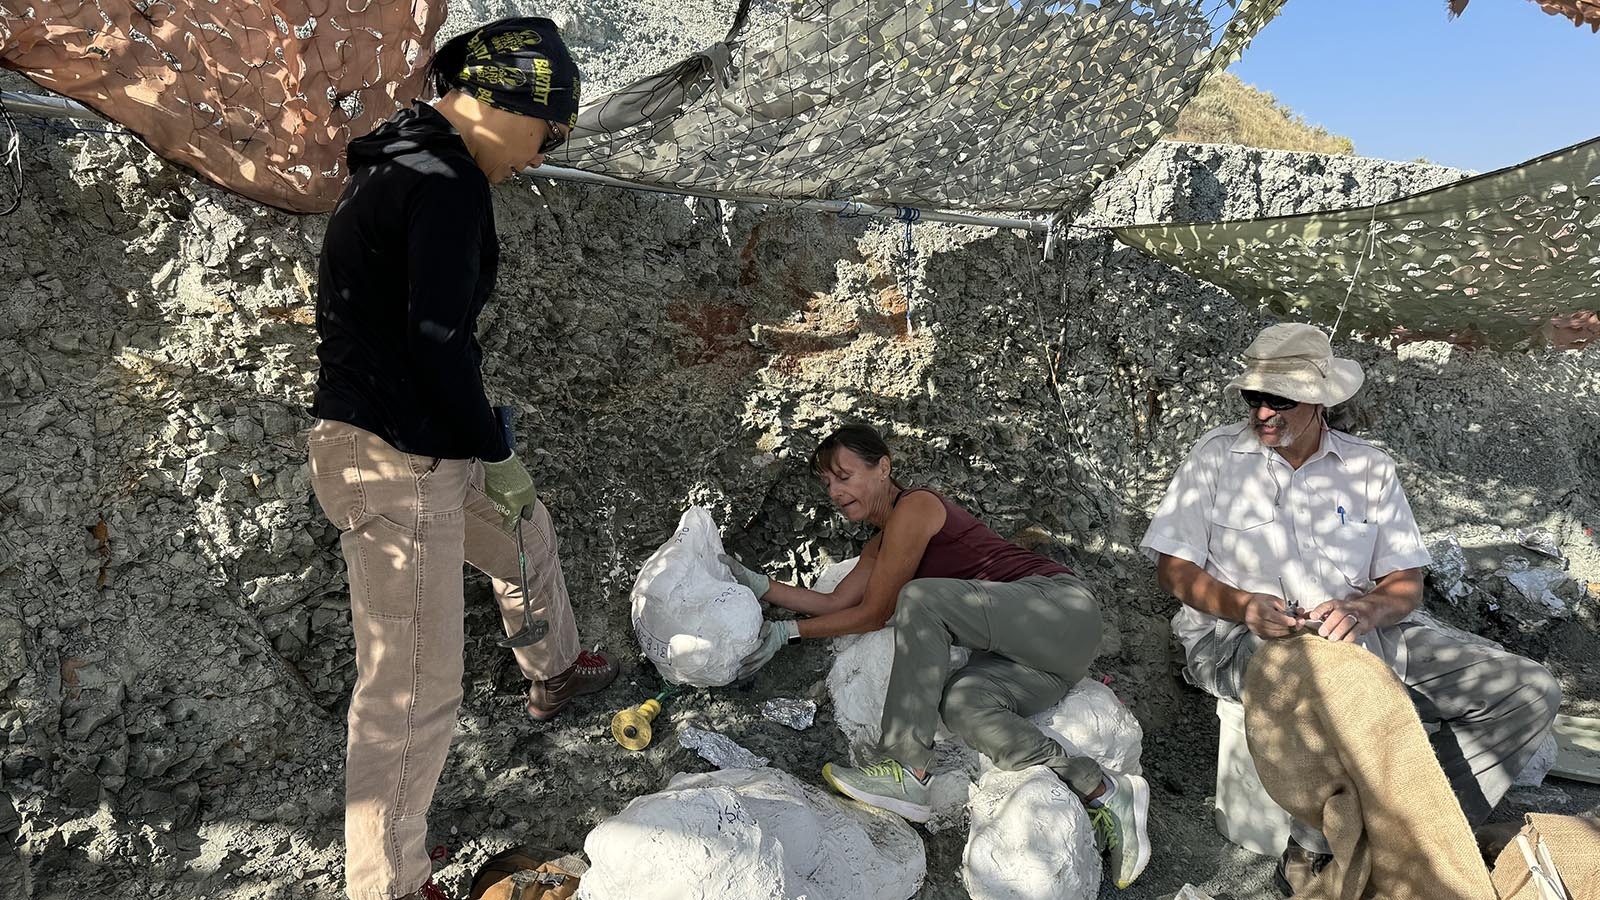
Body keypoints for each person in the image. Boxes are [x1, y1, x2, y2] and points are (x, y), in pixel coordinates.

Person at [305, 19, 617, 900]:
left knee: (525, 533)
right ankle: (390, 882)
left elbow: (428, 335)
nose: (546, 150)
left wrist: (484, 450)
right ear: (507, 103)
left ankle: (553, 671)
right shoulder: (444, 180)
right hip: (397, 458)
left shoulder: (403, 165)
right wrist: (492, 443)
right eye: (549, 129)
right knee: (411, 686)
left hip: (418, 440)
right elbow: (438, 341)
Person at [1139, 322, 1562, 897]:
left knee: (1528, 688)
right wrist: (1243, 606)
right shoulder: (1216, 459)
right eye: (1253, 398)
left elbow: (1405, 584)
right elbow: (1175, 571)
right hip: (1241, 637)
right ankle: (1314, 848)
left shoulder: (1369, 469)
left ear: (1319, 400)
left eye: (1279, 399)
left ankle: (1425, 828)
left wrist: (1364, 611)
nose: (1263, 412)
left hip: (1361, 632)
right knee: (1340, 685)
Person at [726, 424, 1151, 889]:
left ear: (883, 467)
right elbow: (835, 604)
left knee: (920, 598)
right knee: (963, 704)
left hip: (1061, 610)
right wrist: (761, 586)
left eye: (844, 475)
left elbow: (876, 613)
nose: (835, 490)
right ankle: (1104, 790)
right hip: (1039, 661)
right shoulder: (878, 545)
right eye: (827, 483)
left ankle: (906, 766)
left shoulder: (917, 506)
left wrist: (788, 632)